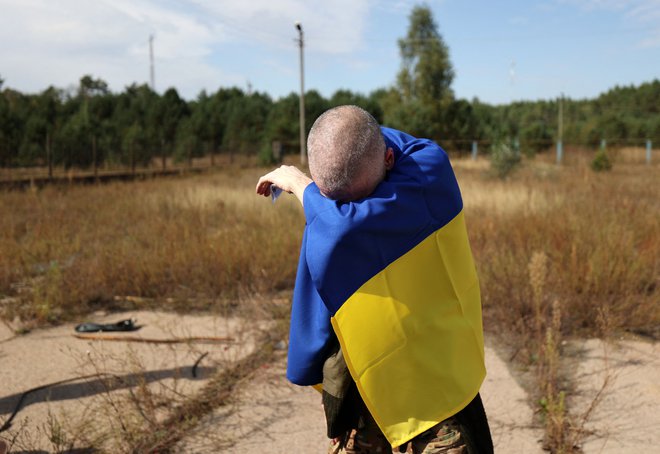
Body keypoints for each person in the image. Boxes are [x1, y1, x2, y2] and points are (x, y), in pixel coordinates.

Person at [256, 105, 493, 453]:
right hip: (371, 394)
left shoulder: (428, 173)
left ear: (389, 158)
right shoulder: (413, 169)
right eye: (333, 202)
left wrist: (300, 185)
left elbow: (339, 228)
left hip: (437, 402)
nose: (348, 210)